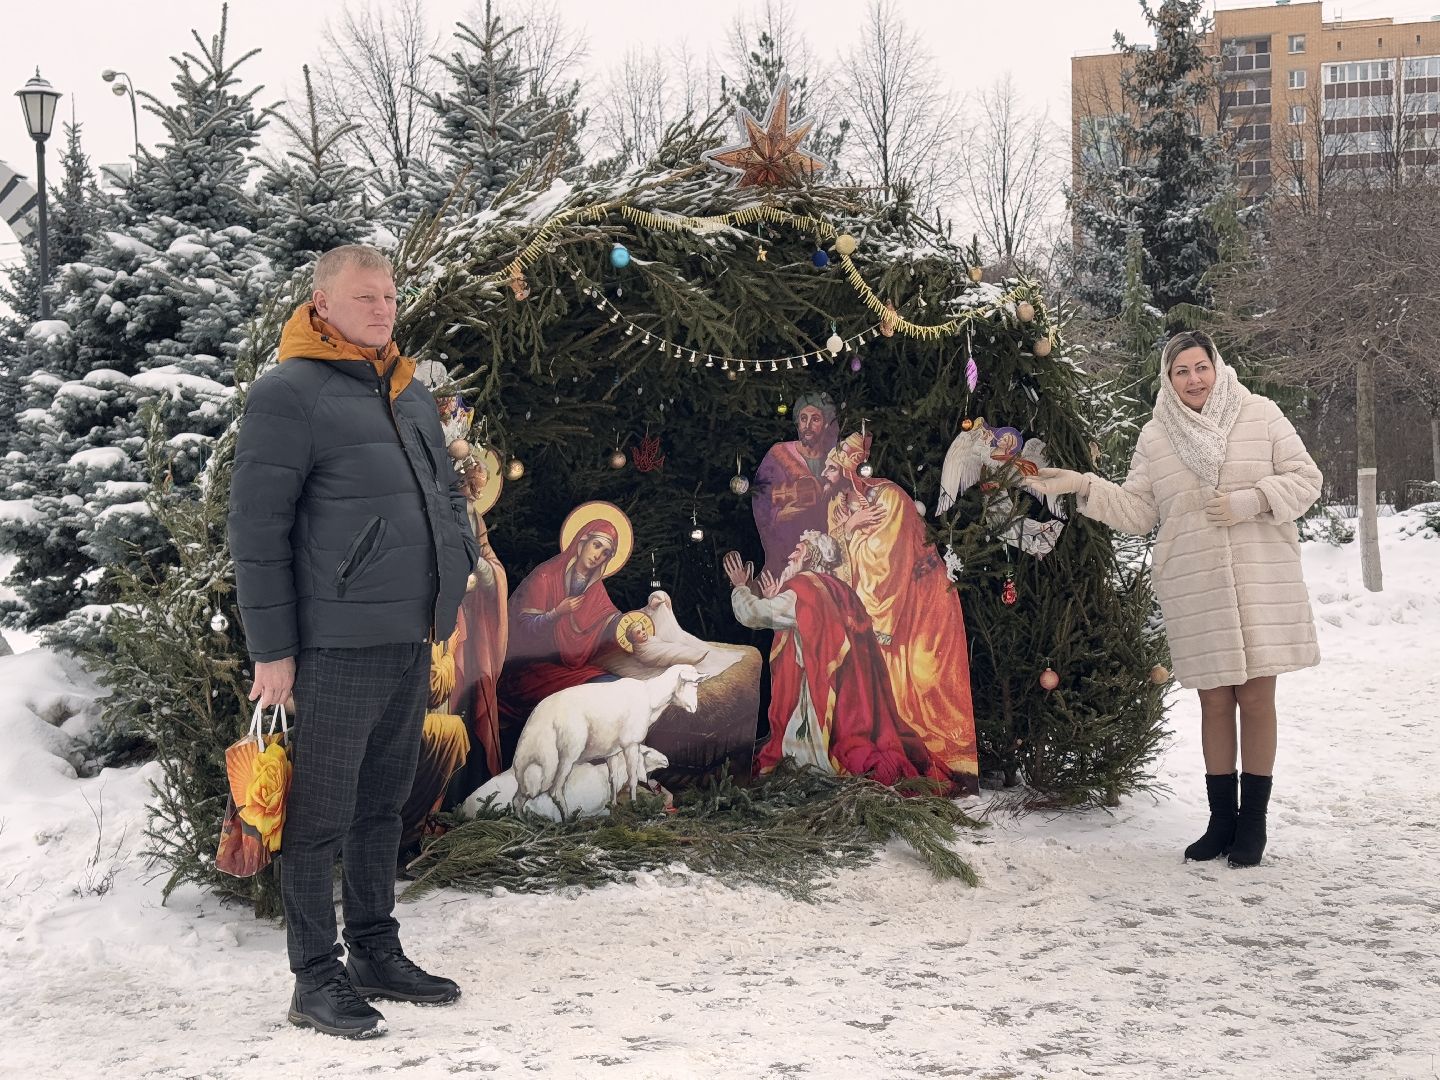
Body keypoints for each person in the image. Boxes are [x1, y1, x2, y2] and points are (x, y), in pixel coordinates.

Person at [229, 244, 477, 1039]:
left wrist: (460, 567)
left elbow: (445, 490)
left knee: (383, 808)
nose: (383, 309)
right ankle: (315, 978)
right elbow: (257, 528)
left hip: (410, 634)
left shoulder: (405, 390)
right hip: (335, 642)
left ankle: (375, 950)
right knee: (319, 816)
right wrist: (273, 649)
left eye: (391, 297)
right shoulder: (287, 393)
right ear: (322, 303)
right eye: (365, 297)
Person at [1024, 330, 1322, 868]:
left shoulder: (1261, 414)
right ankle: (1220, 822)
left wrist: (1252, 500)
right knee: (1213, 700)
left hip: (1260, 578)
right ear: (1168, 378)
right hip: (1195, 580)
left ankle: (1251, 823)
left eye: (1200, 367)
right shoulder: (1156, 437)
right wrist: (1083, 485)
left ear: (1216, 366)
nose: (1193, 379)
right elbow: (1139, 511)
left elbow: (1307, 480)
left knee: (1255, 699)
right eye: (1181, 371)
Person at [821, 433, 981, 796]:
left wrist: (851, 539)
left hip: (919, 607)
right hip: (871, 616)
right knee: (882, 693)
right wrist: (848, 530)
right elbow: (832, 564)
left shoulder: (888, 498)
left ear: (850, 470)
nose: (825, 475)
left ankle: (948, 763)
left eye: (831, 468)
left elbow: (886, 569)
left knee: (926, 682)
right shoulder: (836, 508)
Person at [724, 534, 944, 787]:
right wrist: (777, 599)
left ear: (811, 555)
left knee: (805, 753)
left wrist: (741, 586)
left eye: (798, 550)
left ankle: (813, 777)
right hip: (851, 691)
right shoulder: (837, 588)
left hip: (821, 688)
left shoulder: (803, 588)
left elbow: (753, 615)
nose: (791, 556)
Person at [496, 514, 625, 746]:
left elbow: (609, 621)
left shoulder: (594, 588)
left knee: (615, 684)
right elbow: (523, 628)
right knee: (602, 688)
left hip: (568, 668)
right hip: (528, 670)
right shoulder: (546, 576)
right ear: (582, 541)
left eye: (605, 553)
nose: (598, 556)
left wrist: (632, 624)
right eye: (596, 545)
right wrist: (556, 612)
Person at [752, 392, 840, 576]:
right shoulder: (779, 454)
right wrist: (780, 516)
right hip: (788, 549)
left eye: (815, 419)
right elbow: (761, 499)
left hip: (826, 550)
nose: (807, 425)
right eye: (803, 418)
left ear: (825, 424)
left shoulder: (835, 460)